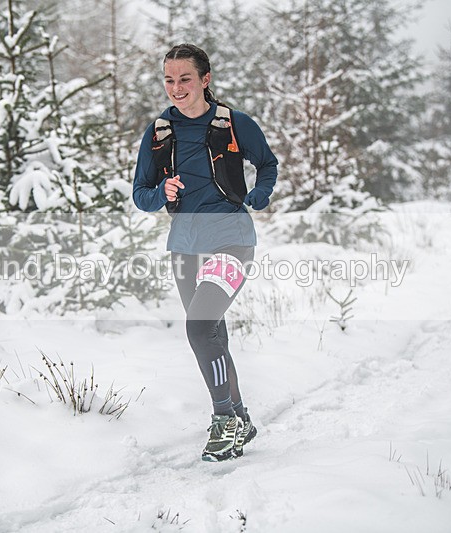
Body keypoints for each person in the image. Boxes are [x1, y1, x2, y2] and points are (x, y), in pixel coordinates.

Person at [133, 43, 278, 462]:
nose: (176, 88)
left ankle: (223, 419)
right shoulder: (159, 131)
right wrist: (162, 191)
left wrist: (261, 193)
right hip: (185, 244)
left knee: (198, 329)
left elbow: (267, 164)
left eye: (185, 79)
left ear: (205, 80)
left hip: (231, 238)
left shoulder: (233, 123)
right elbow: (140, 195)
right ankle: (241, 417)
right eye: (169, 79)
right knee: (211, 332)